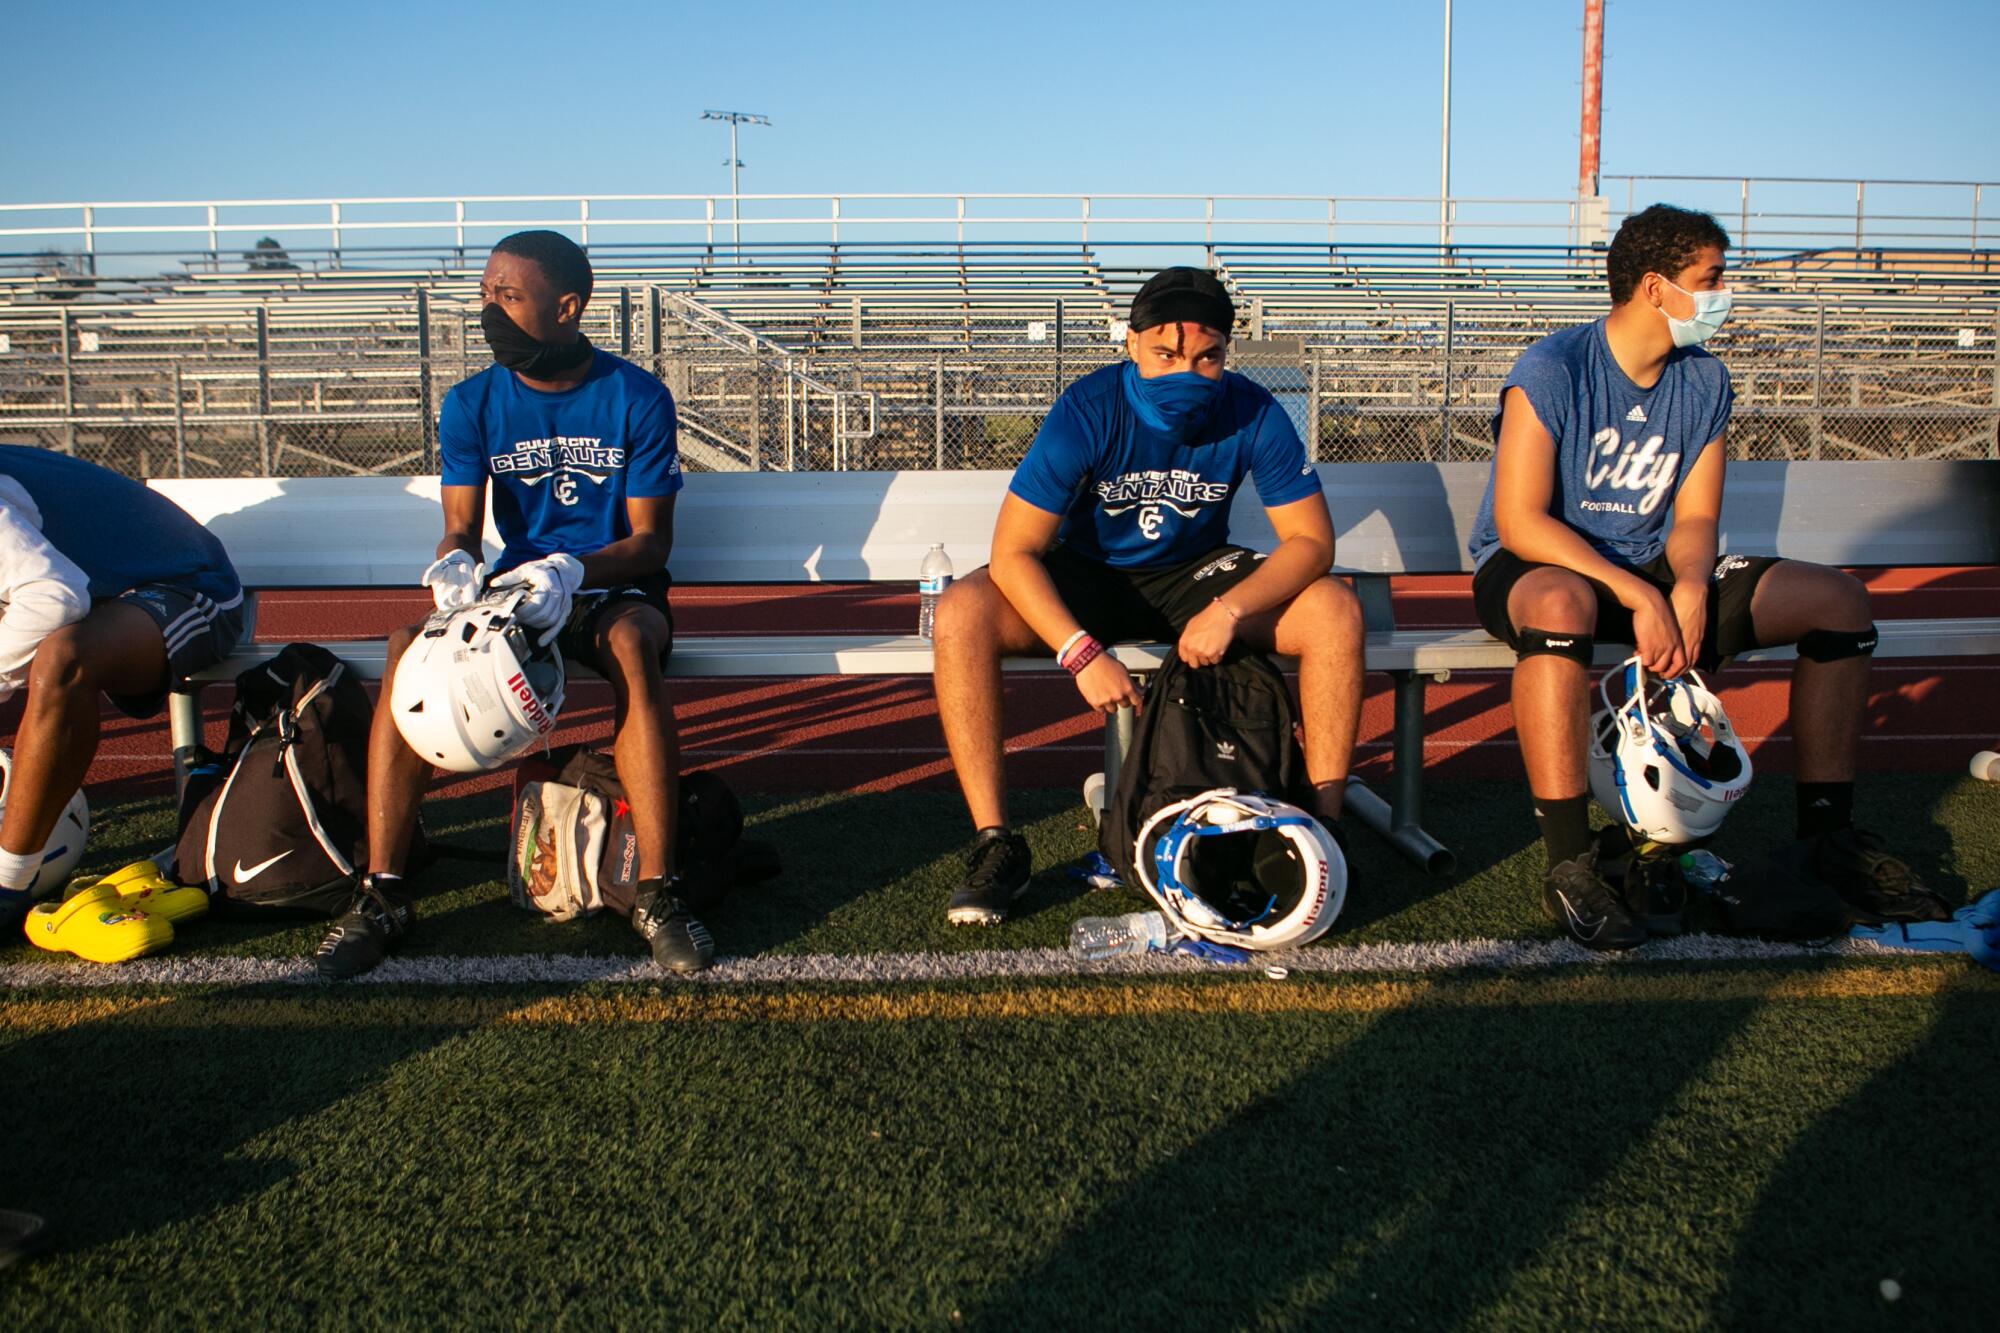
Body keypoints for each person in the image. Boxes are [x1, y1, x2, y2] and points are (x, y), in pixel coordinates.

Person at [1468, 203, 1943, 951]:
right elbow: (1522, 519)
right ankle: (1568, 856)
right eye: (1711, 277)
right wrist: (1636, 593)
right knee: (1562, 602)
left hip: (1653, 570)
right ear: (1655, 288)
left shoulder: (1704, 380)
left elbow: (1693, 518)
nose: (1725, 293)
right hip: (1543, 565)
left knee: (1839, 602)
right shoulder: (1553, 367)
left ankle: (1827, 838)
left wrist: (1686, 585)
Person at [317, 230, 711, 979]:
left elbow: (651, 543)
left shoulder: (635, 396)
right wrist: (455, 566)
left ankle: (660, 889)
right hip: (517, 595)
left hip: (613, 587)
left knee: (630, 644)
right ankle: (384, 889)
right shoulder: (471, 403)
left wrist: (573, 567)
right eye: (486, 292)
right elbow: (460, 526)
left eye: (508, 294)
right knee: (408, 648)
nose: (488, 309)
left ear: (568, 307)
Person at [931, 267, 1365, 925]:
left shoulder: (1252, 407)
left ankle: (1327, 833)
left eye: (1206, 355)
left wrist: (1230, 609)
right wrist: (1078, 652)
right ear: (1130, 345)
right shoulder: (1088, 408)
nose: (1185, 371)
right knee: (962, 613)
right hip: (1090, 573)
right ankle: (995, 843)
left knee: (1335, 609)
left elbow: (1311, 542)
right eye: (1165, 353)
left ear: (1227, 353)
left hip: (1196, 576)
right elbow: (1013, 551)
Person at [0, 446, 244, 926]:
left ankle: (9, 883)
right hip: (102, 595)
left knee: (63, 660)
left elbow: (55, 599)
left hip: (187, 588)